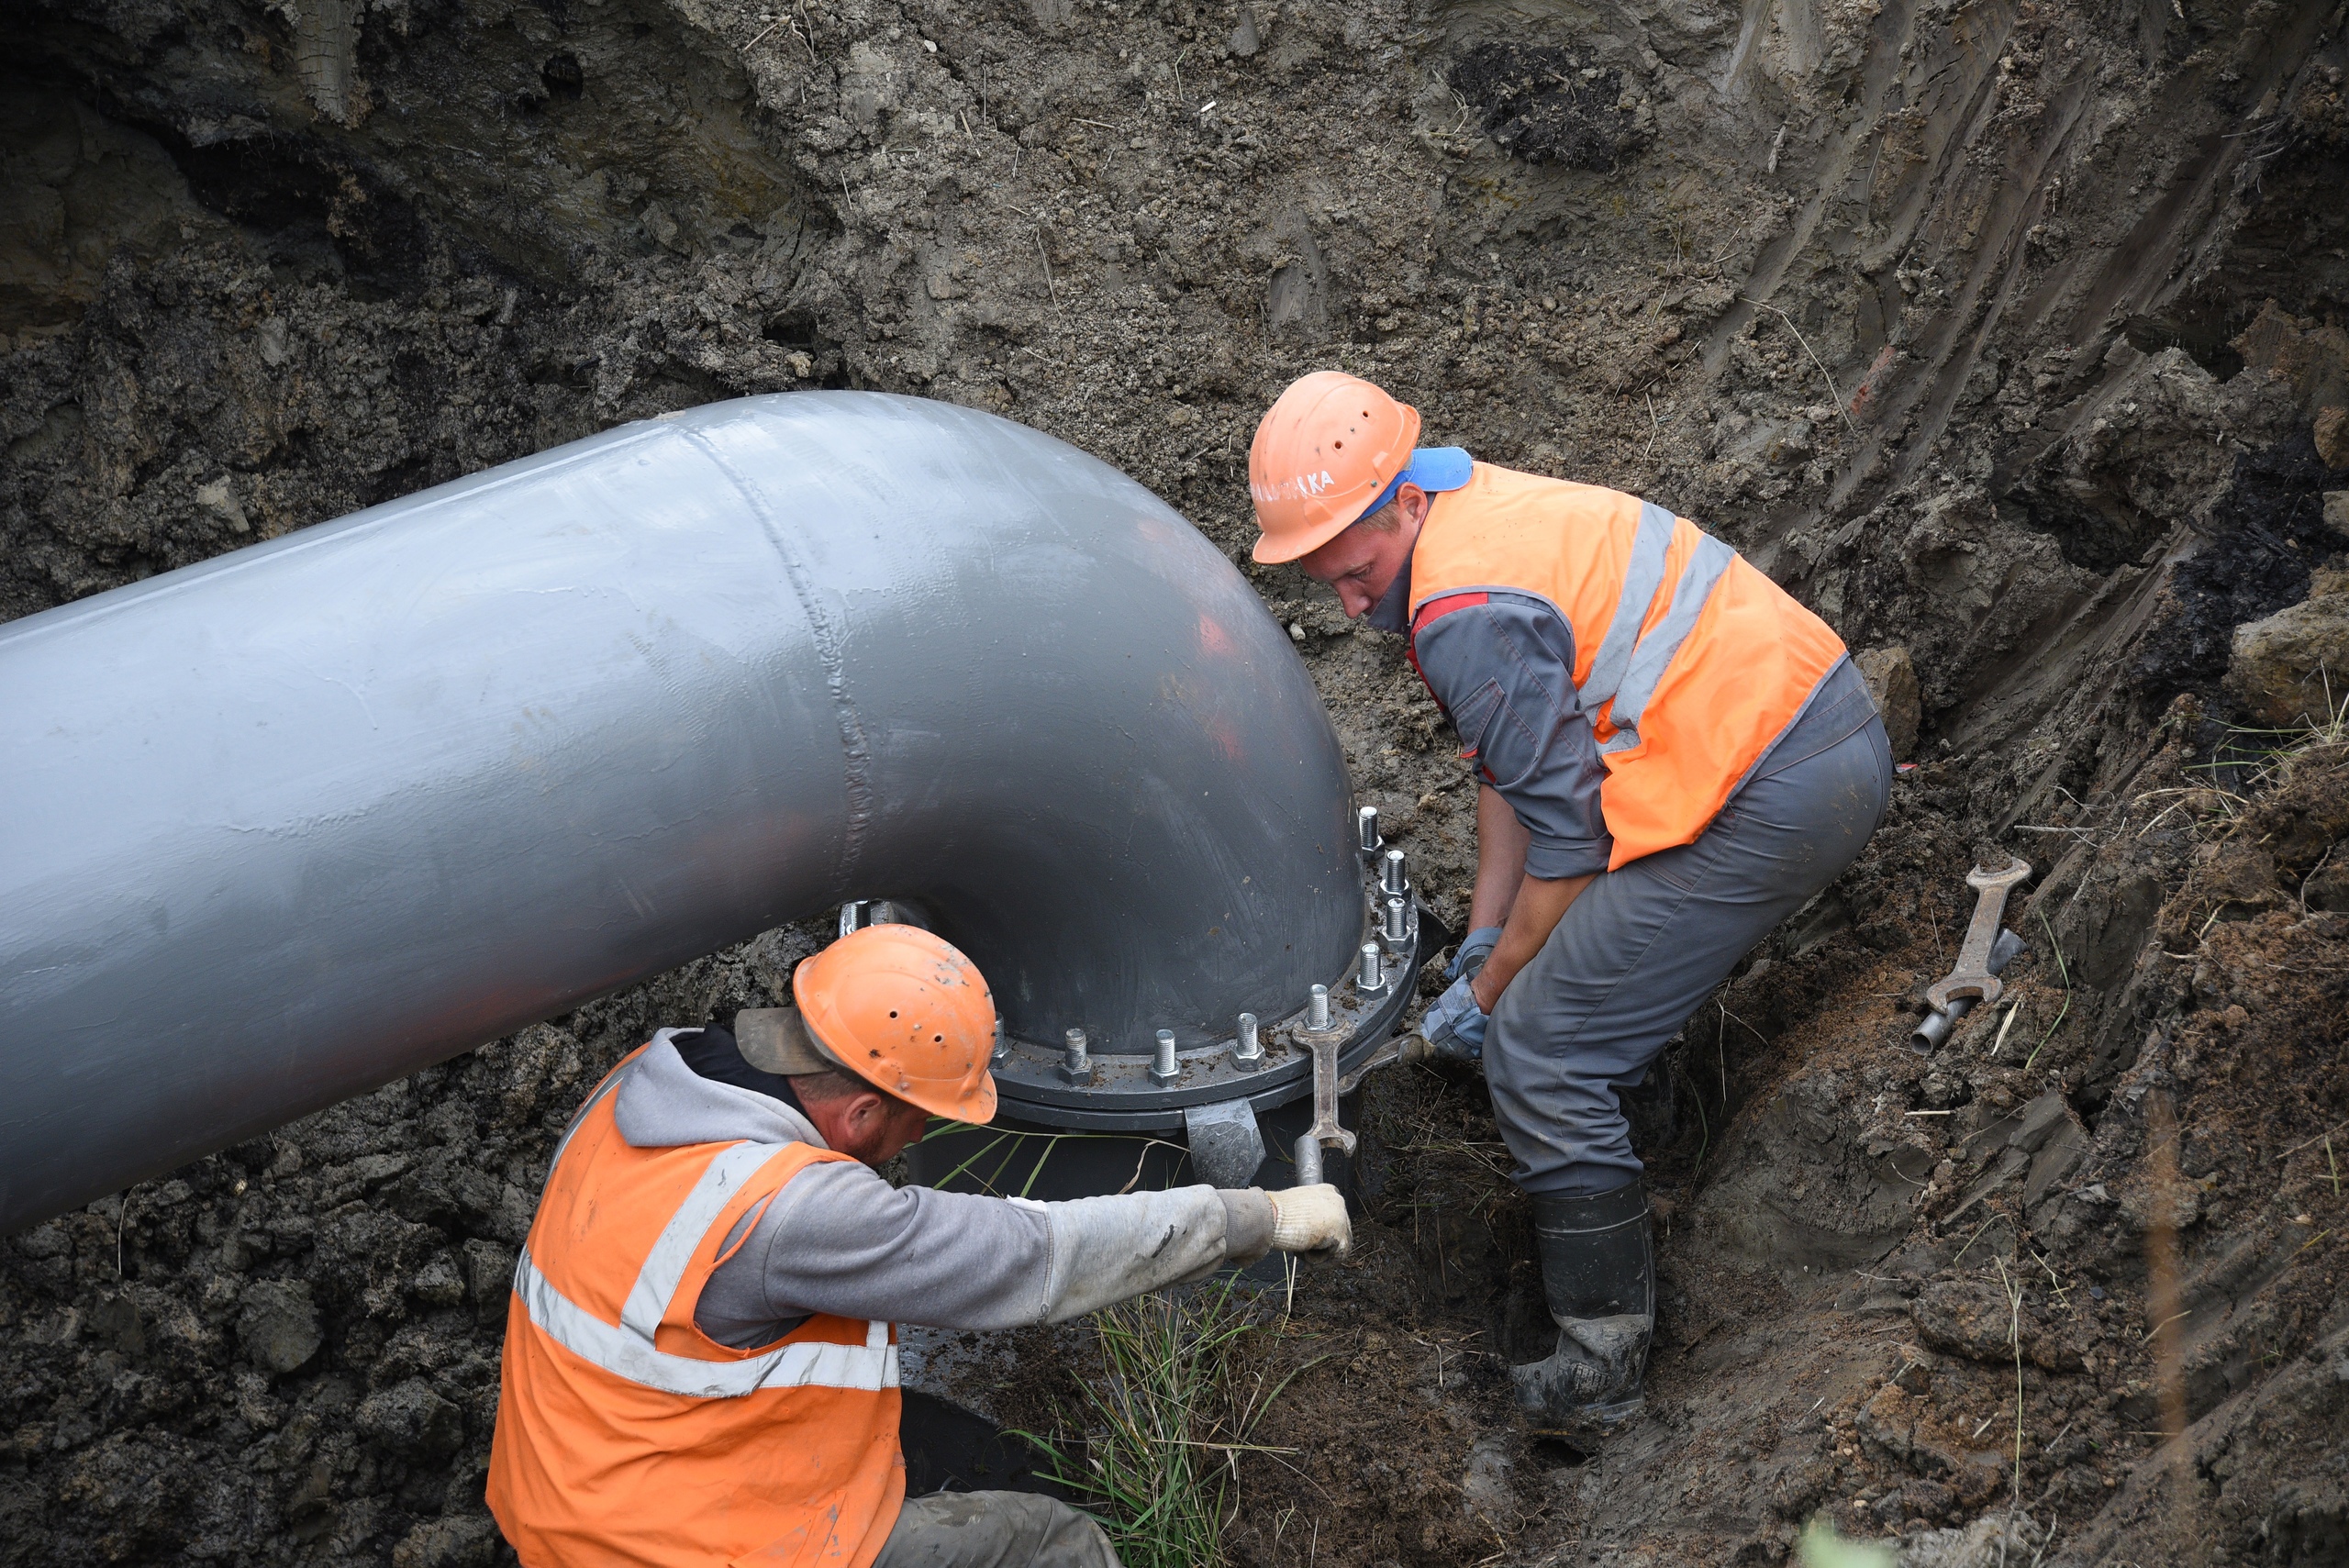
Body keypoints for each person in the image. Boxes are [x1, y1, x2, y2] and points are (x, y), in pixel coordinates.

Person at [1248, 371, 1890, 1436]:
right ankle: (1630, 1124)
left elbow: (1576, 838)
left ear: (1400, 501)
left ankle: (1602, 1363)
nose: (1351, 605)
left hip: (1771, 784)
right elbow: (1512, 776)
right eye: (1325, 583)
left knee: (1541, 1047)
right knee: (1550, 985)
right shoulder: (1471, 516)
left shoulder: (1461, 609)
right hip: (1800, 727)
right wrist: (1490, 933)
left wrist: (1496, 991)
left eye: (1356, 571)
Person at [486, 922, 1352, 1567]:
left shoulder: (647, 1084)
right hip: (673, 1546)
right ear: (863, 1113)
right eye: (917, 1124)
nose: (910, 1147)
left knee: (961, 1451)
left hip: (578, 1489)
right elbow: (1034, 1256)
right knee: (1059, 1544)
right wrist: (1260, 1219)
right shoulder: (792, 1211)